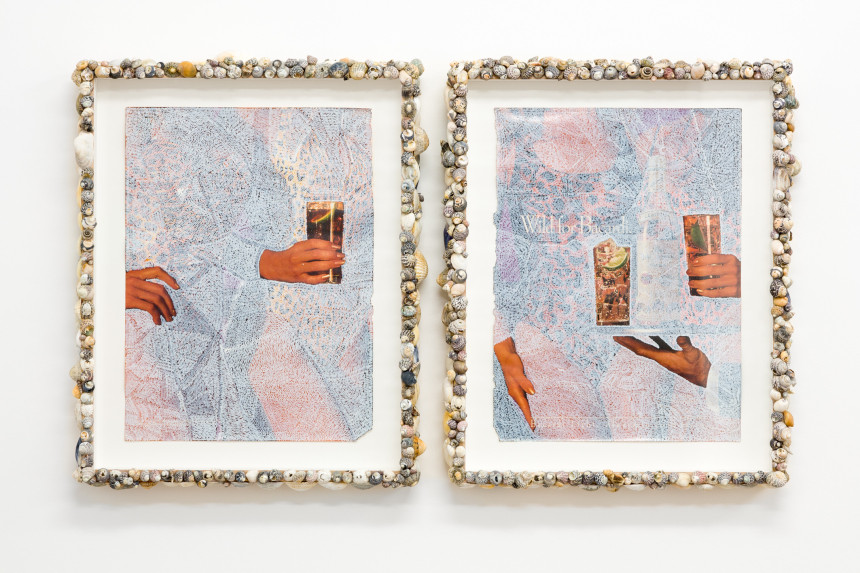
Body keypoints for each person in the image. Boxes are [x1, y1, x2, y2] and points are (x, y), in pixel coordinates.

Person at [123, 106, 373, 442]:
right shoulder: (166, 124)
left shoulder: (317, 123)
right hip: (181, 323)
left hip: (314, 308)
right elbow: (177, 225)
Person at [492, 107, 742, 440]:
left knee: (640, 452)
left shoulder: (633, 129)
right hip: (549, 334)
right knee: (576, 460)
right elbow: (472, 249)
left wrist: (742, 277)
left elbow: (678, 222)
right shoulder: (511, 139)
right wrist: (504, 349)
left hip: (629, 329)